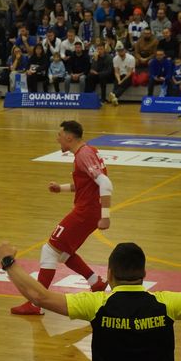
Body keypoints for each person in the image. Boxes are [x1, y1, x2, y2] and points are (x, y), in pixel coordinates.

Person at [0, 241, 181, 361]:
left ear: (109, 274)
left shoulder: (96, 305)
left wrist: (8, 261)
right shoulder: (166, 304)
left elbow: (40, 297)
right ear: (144, 274)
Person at [10, 120, 111, 315]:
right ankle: (95, 282)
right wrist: (61, 188)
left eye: (59, 135)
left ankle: (36, 303)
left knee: (49, 250)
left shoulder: (83, 155)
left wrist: (106, 216)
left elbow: (105, 183)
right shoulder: (88, 151)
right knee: (63, 252)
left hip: (86, 212)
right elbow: (86, 184)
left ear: (69, 137)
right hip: (89, 211)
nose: (57, 139)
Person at [108, 41, 135, 106]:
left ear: (125, 50)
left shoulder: (131, 58)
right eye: (119, 51)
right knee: (116, 82)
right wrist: (119, 80)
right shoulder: (115, 59)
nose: (120, 52)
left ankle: (114, 95)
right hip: (120, 75)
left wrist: (121, 81)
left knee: (125, 82)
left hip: (129, 75)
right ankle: (114, 98)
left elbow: (129, 73)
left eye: (122, 50)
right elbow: (116, 72)